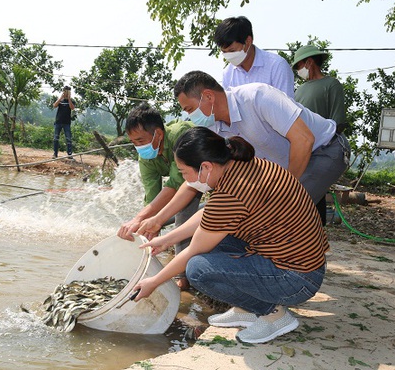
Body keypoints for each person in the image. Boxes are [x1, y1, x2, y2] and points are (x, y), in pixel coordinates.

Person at [132, 127, 329, 344]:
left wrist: (154, 281)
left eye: (185, 172)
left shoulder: (232, 193)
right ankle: (247, 307)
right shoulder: (244, 166)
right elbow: (209, 215)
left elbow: (195, 249)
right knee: (215, 242)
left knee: (198, 269)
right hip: (304, 262)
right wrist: (167, 239)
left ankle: (272, 314)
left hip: (297, 279)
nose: (186, 180)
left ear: (205, 166)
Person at [174, 70, 350, 204]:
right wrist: (158, 218)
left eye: (190, 109)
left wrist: (282, 191)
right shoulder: (213, 128)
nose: (191, 117)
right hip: (283, 169)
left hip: (324, 150)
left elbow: (304, 140)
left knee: (282, 208)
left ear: (208, 96)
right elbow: (201, 173)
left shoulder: (257, 97)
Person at [117, 103, 201, 289]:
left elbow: (175, 184)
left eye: (141, 140)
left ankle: (184, 276)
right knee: (151, 221)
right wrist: (144, 224)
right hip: (185, 184)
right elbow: (152, 195)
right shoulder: (146, 157)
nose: (138, 147)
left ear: (159, 134)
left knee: (183, 215)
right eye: (134, 143)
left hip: (201, 179)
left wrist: (145, 219)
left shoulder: (181, 135)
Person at [291, 44, 348, 225]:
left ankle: (316, 235)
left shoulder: (331, 85)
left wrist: (324, 144)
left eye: (299, 66)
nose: (299, 70)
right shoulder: (299, 90)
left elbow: (338, 122)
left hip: (323, 148)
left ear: (309, 62)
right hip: (300, 148)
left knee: (316, 192)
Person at [214, 16, 295, 99]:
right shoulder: (228, 74)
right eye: (224, 52)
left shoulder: (277, 66)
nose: (229, 56)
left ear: (248, 41)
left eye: (232, 51)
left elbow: (286, 108)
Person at [52, 86, 74, 159]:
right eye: (65, 91)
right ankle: (55, 154)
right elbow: (54, 105)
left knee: (68, 139)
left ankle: (69, 154)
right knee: (56, 138)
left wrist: (69, 99)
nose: (66, 93)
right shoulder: (60, 100)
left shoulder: (71, 100)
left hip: (66, 123)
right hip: (58, 122)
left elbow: (72, 108)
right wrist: (61, 97)